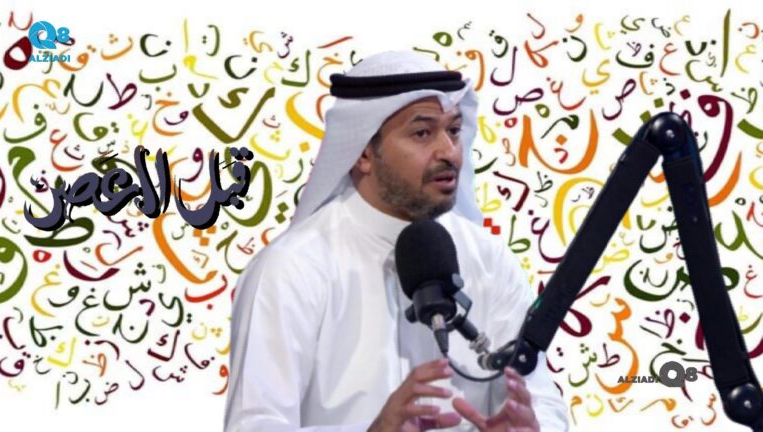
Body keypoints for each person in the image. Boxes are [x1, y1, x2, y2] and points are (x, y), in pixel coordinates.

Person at [224, 51, 569, 431]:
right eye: (422, 133)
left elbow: (541, 397)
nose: (449, 152)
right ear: (363, 153)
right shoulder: (292, 268)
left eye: (454, 131)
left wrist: (531, 427)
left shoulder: (487, 257)